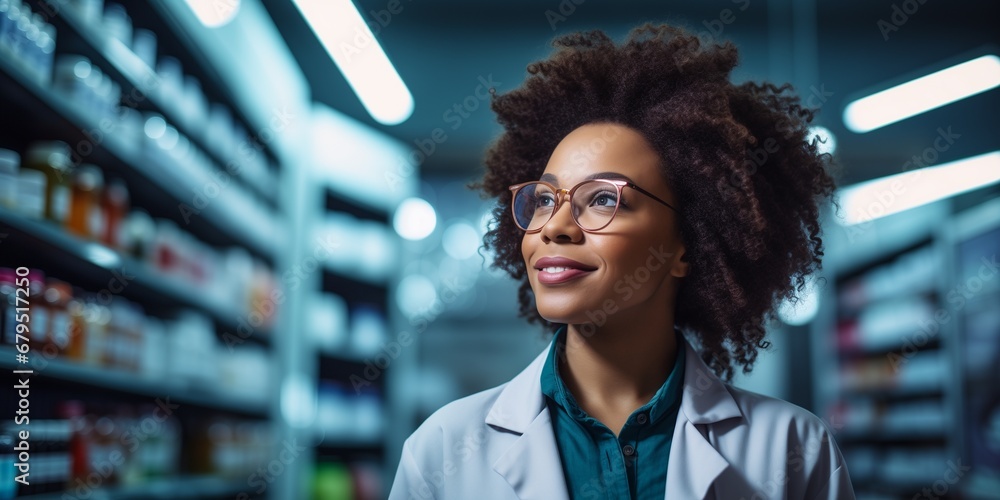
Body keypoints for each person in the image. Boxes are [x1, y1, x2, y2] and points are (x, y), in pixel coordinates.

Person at [389, 22, 853, 500]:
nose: (554, 226)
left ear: (687, 245)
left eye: (604, 199)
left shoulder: (794, 450)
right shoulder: (442, 451)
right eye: (545, 199)